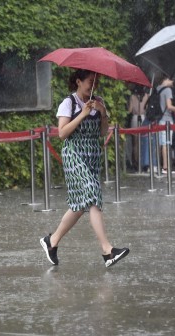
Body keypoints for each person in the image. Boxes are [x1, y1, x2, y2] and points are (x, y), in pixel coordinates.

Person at [40, 69, 129, 268]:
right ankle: (107, 251)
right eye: (90, 81)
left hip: (92, 156)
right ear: (78, 82)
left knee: (80, 205)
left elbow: (103, 132)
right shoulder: (68, 103)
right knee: (92, 194)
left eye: (95, 82)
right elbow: (62, 134)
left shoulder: (98, 102)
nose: (93, 85)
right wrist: (83, 114)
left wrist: (103, 112)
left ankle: (52, 242)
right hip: (74, 154)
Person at [126, 85, 149, 171]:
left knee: (135, 143)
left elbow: (130, 110)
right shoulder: (146, 96)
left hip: (135, 118)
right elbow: (147, 108)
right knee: (144, 141)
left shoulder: (132, 96)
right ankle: (143, 161)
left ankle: (136, 162)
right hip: (143, 117)